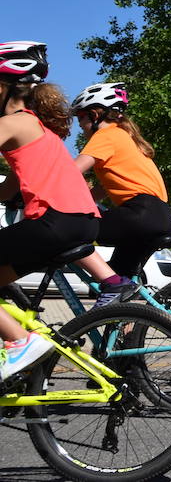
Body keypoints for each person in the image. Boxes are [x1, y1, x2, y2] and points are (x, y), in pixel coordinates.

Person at [0, 42, 100, 380]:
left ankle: (19, 343)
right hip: (80, 221)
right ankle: (28, 359)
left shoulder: (12, 123)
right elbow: (11, 185)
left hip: (54, 221)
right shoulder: (37, 129)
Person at [66, 83, 171, 305]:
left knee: (70, 231)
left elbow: (69, 172)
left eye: (81, 121)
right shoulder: (125, 137)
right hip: (156, 215)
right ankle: (124, 335)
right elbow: (101, 190)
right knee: (116, 287)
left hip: (140, 215)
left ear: (95, 115)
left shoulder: (106, 135)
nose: (82, 128)